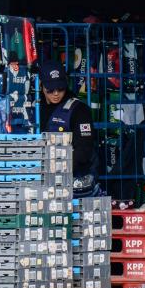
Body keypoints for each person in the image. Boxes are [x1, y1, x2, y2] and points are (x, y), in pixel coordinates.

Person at [38, 60, 100, 197]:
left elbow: (84, 150)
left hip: (76, 182)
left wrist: (58, 171)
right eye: (50, 89)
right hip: (43, 181)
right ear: (41, 86)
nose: (56, 93)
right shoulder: (35, 109)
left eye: (60, 88)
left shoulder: (79, 110)